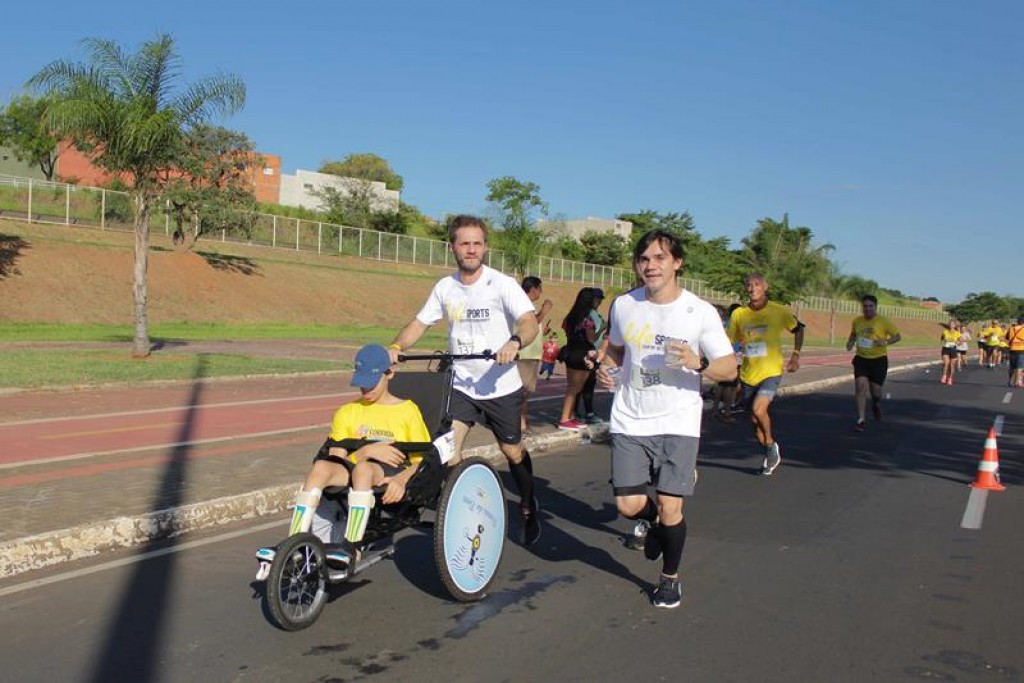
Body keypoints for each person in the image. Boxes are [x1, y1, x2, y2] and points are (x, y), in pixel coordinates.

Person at [595, 229, 736, 609]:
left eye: (659, 258)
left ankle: (670, 578)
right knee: (627, 506)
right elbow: (615, 352)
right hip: (630, 417)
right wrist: (605, 370)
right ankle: (656, 524)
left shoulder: (700, 312)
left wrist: (699, 363)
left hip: (678, 421)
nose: (650, 266)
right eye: (644, 259)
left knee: (673, 507)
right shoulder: (624, 305)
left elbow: (729, 368)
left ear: (677, 263)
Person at [387, 215, 543, 545]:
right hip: (461, 384)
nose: (470, 250)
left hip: (500, 387)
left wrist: (515, 342)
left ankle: (529, 504)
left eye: (476, 243)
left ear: (484, 247)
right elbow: (419, 324)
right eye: (464, 243)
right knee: (448, 449)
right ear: (453, 247)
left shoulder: (501, 284)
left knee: (512, 451)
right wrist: (396, 346)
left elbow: (529, 322)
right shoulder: (445, 287)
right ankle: (465, 506)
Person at [261, 344, 431, 565]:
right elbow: (336, 458)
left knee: (363, 469)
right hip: (356, 466)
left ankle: (352, 546)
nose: (365, 390)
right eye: (361, 384)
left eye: (371, 384)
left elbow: (422, 461)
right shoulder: (347, 412)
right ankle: (292, 542)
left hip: (391, 471)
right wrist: (367, 451)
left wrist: (400, 480)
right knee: (321, 467)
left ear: (389, 374)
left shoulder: (407, 410)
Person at [727, 273, 804, 475]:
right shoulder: (739, 315)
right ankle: (770, 450)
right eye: (749, 285)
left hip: (771, 370)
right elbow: (731, 341)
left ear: (765, 287)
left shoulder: (778, 311)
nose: (753, 289)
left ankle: (770, 446)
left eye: (757, 284)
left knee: (759, 410)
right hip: (748, 374)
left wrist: (795, 355)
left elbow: (798, 329)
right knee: (754, 421)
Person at [845, 294, 901, 431]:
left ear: (875, 307)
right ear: (862, 307)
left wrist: (886, 341)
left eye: (870, 306)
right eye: (865, 306)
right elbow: (853, 334)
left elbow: (897, 336)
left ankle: (876, 403)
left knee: (876, 392)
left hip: (879, 360)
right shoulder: (857, 321)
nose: (867, 309)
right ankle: (861, 420)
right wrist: (850, 342)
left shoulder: (883, 321)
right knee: (860, 386)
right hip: (861, 359)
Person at [558, 287, 598, 430]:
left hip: (570, 351)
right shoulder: (587, 319)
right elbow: (591, 339)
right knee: (574, 388)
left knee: (573, 387)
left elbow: (565, 329)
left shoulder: (570, 317)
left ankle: (570, 416)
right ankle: (564, 418)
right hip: (583, 353)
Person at [517, 276, 553, 435]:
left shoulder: (529, 306)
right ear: (532, 289)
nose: (541, 292)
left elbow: (533, 326)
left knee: (527, 390)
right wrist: (544, 312)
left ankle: (523, 421)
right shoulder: (521, 304)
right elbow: (528, 324)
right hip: (524, 354)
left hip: (532, 353)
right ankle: (520, 423)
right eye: (540, 288)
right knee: (522, 390)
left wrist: (542, 330)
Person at [575, 287, 607, 424]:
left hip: (593, 353)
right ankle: (580, 412)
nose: (599, 302)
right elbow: (592, 337)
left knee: (588, 384)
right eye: (597, 299)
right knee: (582, 385)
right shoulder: (588, 315)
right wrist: (603, 329)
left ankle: (585, 412)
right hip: (588, 352)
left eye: (600, 299)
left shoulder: (594, 314)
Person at [939, 320, 960, 385]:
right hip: (946, 349)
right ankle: (944, 376)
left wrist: (957, 343)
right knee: (946, 363)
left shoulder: (957, 333)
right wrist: (944, 340)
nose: (951, 325)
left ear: (955, 325)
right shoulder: (945, 332)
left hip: (953, 349)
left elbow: (961, 341)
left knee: (952, 365)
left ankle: (950, 378)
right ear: (949, 325)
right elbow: (941, 339)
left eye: (953, 324)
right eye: (950, 324)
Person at [1005, 316, 1024, 388]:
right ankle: (1016, 382)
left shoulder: (1011, 329)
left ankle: (1010, 381)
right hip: (1022, 350)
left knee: (1012, 367)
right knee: (1020, 366)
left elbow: (1007, 338)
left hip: (1012, 349)